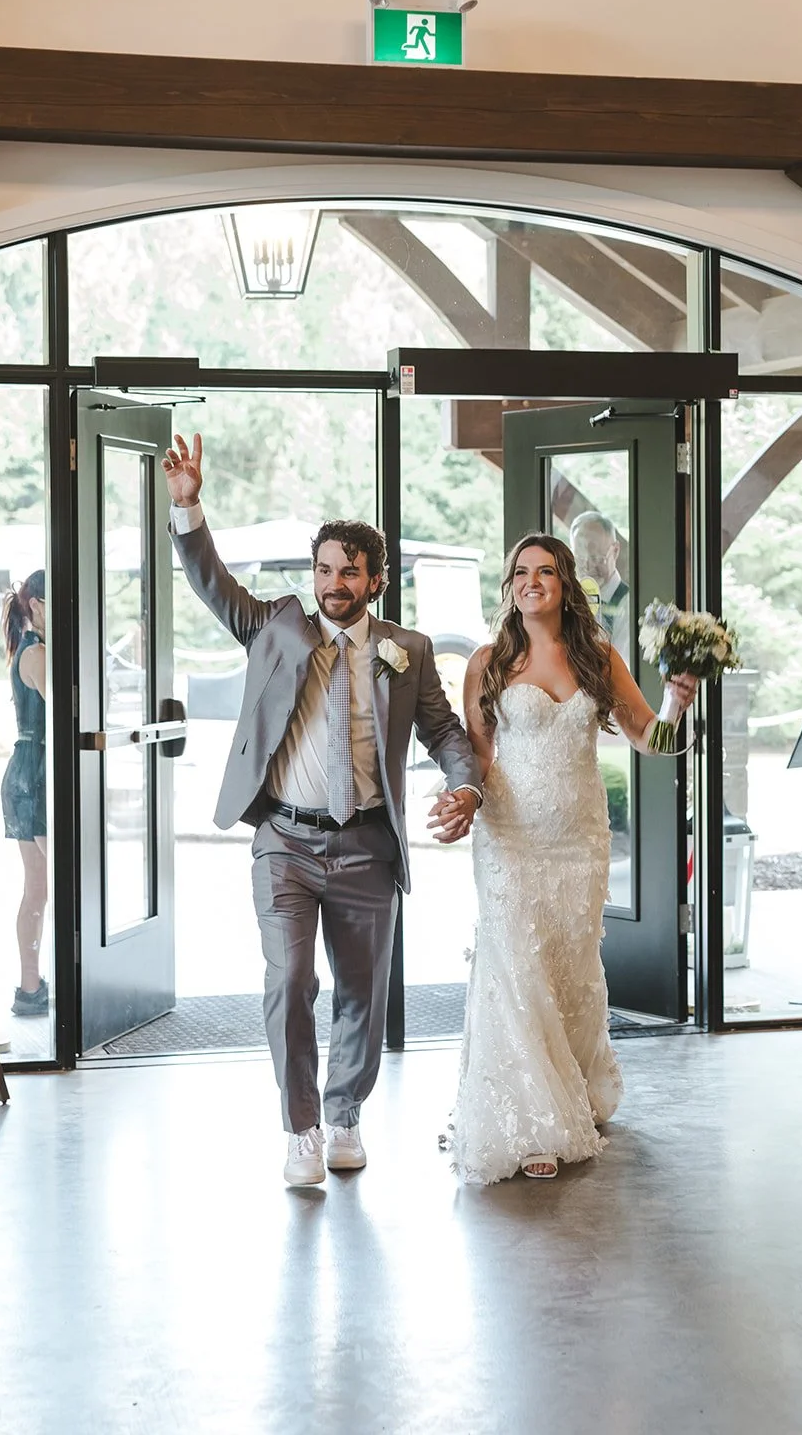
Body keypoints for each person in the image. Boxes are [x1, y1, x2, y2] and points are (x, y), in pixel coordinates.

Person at [162, 433, 481, 1188]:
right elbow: (212, 585)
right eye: (323, 570)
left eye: (348, 572)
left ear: (375, 580)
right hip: (285, 842)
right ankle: (300, 1128)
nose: (333, 583)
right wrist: (188, 508)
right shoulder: (276, 626)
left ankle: (344, 1116)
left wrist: (464, 786)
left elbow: (442, 732)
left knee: (362, 996)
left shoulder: (408, 649)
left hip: (368, 845)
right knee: (289, 980)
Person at [449, 534, 696, 1184]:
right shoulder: (486, 662)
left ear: (564, 584)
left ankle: (575, 1093)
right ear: (509, 586)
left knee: (570, 968)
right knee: (517, 970)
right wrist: (462, 799)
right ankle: (530, 1120)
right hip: (510, 840)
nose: (533, 581)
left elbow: (652, 739)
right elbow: (475, 755)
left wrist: (677, 701)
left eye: (546, 571)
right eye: (521, 572)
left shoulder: (597, 656)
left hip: (580, 841)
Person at [0, 570, 49, 1018]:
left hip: (26, 770)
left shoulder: (28, 650)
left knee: (37, 888)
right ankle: (31, 984)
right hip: (35, 775)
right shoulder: (38, 654)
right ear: (35, 607)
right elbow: (71, 709)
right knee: (43, 887)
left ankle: (29, 986)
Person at [570, 510, 630, 659]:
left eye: (596, 558)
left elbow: (623, 664)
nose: (589, 567)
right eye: (580, 559)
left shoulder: (628, 603)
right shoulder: (568, 601)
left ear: (615, 551)